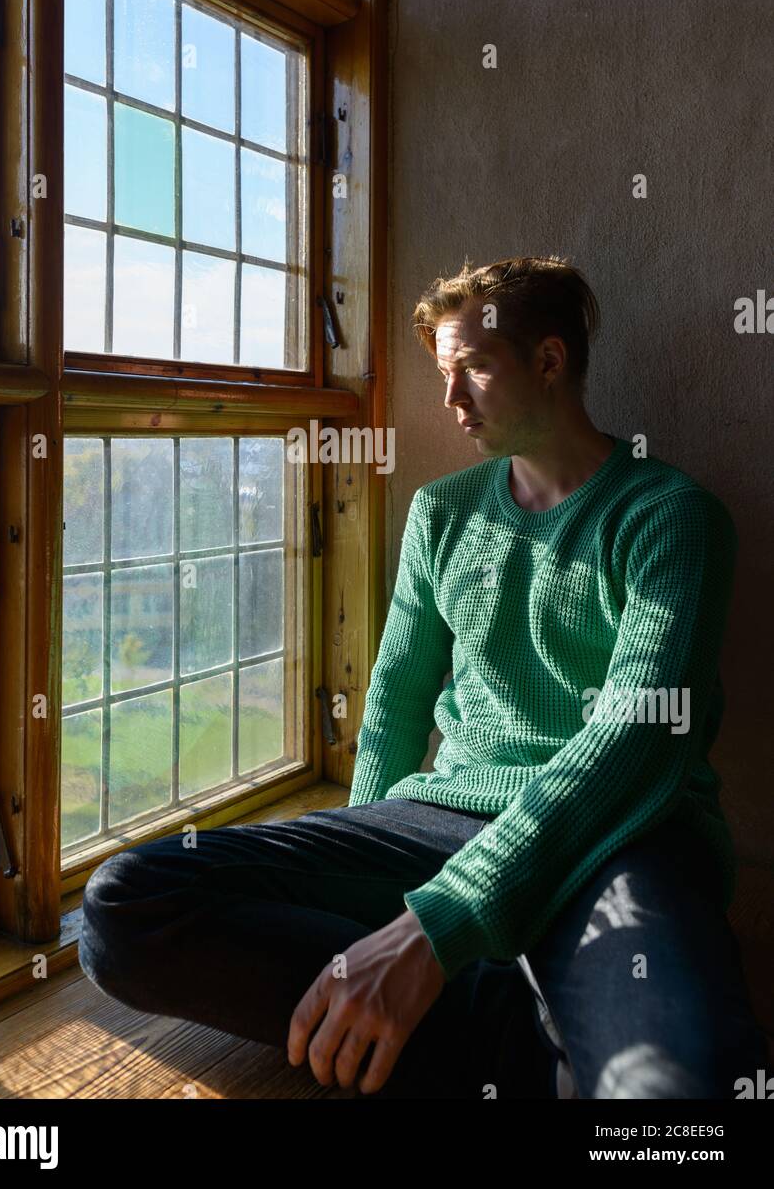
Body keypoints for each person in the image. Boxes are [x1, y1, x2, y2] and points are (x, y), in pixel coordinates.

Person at [78, 255, 768, 1099]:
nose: (451, 401)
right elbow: (398, 697)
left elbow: (634, 743)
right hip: (441, 816)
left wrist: (435, 926)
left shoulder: (669, 515)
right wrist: (372, 880)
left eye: (473, 368)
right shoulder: (441, 511)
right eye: (443, 375)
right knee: (124, 908)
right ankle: (517, 1026)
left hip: (621, 839)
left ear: (549, 362)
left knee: (678, 1097)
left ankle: (508, 1018)